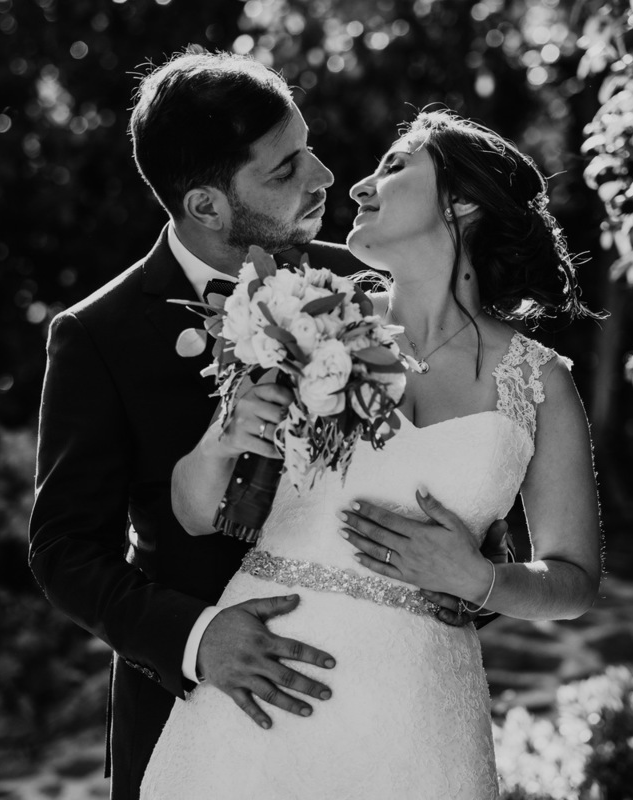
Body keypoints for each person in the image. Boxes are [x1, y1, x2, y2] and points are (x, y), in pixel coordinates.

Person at [28, 52, 505, 800]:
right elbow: (63, 551)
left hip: (377, 711)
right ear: (206, 206)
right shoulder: (98, 335)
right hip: (192, 720)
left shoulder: (365, 286)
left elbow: (462, 458)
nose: (324, 176)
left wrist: (472, 576)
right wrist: (196, 638)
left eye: (308, 147)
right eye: (285, 170)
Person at [142, 109, 603, 798]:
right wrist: (224, 437)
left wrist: (481, 581)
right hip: (263, 694)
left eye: (394, 167)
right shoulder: (303, 318)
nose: (357, 187)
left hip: (421, 720)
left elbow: (575, 580)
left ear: (461, 201)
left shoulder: (542, 382)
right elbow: (192, 512)